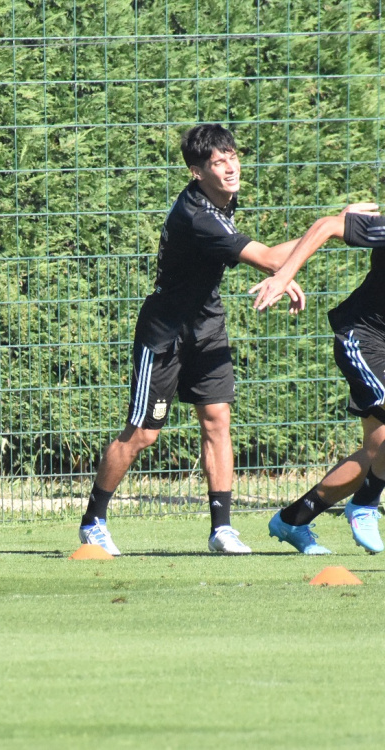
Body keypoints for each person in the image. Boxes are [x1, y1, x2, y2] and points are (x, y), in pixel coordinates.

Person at [76, 123, 309, 556]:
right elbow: (272, 257)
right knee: (143, 434)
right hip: (165, 331)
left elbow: (261, 262)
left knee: (217, 420)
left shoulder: (224, 200)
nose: (230, 167)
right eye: (218, 162)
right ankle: (93, 520)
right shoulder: (197, 214)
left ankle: (222, 530)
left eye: (232, 156)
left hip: (208, 324)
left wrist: (281, 275)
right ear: (196, 172)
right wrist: (327, 230)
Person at [251, 200, 385, 554]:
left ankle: (295, 518)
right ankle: (366, 503)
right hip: (364, 340)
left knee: (376, 452)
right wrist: (284, 275)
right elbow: (327, 226)